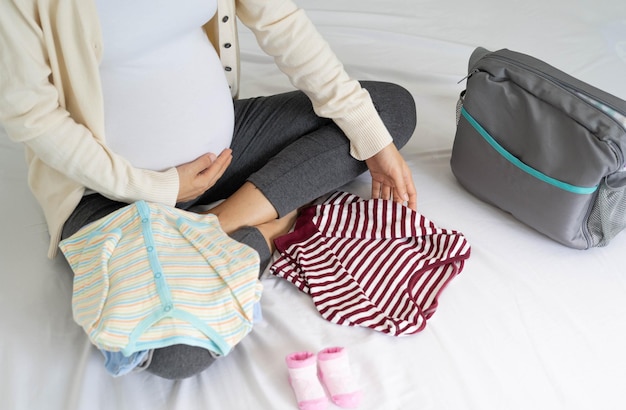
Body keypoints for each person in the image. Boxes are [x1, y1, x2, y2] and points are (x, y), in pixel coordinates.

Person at [0, 0, 417, 379]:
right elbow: (29, 113)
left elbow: (280, 19)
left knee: (384, 112)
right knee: (174, 353)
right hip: (104, 194)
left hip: (225, 153)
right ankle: (269, 227)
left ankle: (218, 223)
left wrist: (373, 140)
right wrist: (158, 186)